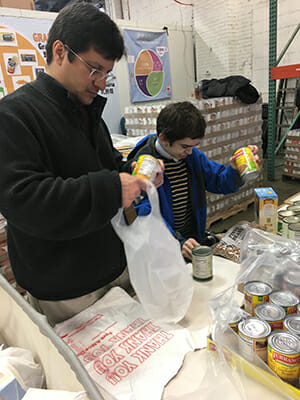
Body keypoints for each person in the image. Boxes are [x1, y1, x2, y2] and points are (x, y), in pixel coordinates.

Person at [0, 3, 154, 326]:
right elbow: (25, 201)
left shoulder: (85, 110)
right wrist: (113, 187)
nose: (101, 82)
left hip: (113, 269)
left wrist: (136, 173)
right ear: (60, 51)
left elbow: (108, 164)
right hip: (66, 290)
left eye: (107, 74)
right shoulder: (14, 115)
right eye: (93, 68)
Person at [128, 101, 259, 261]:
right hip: (162, 246)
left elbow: (218, 181)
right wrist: (176, 242)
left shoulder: (192, 157)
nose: (189, 152)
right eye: (184, 146)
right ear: (163, 139)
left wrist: (235, 170)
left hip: (192, 239)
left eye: (194, 146)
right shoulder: (144, 167)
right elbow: (145, 215)